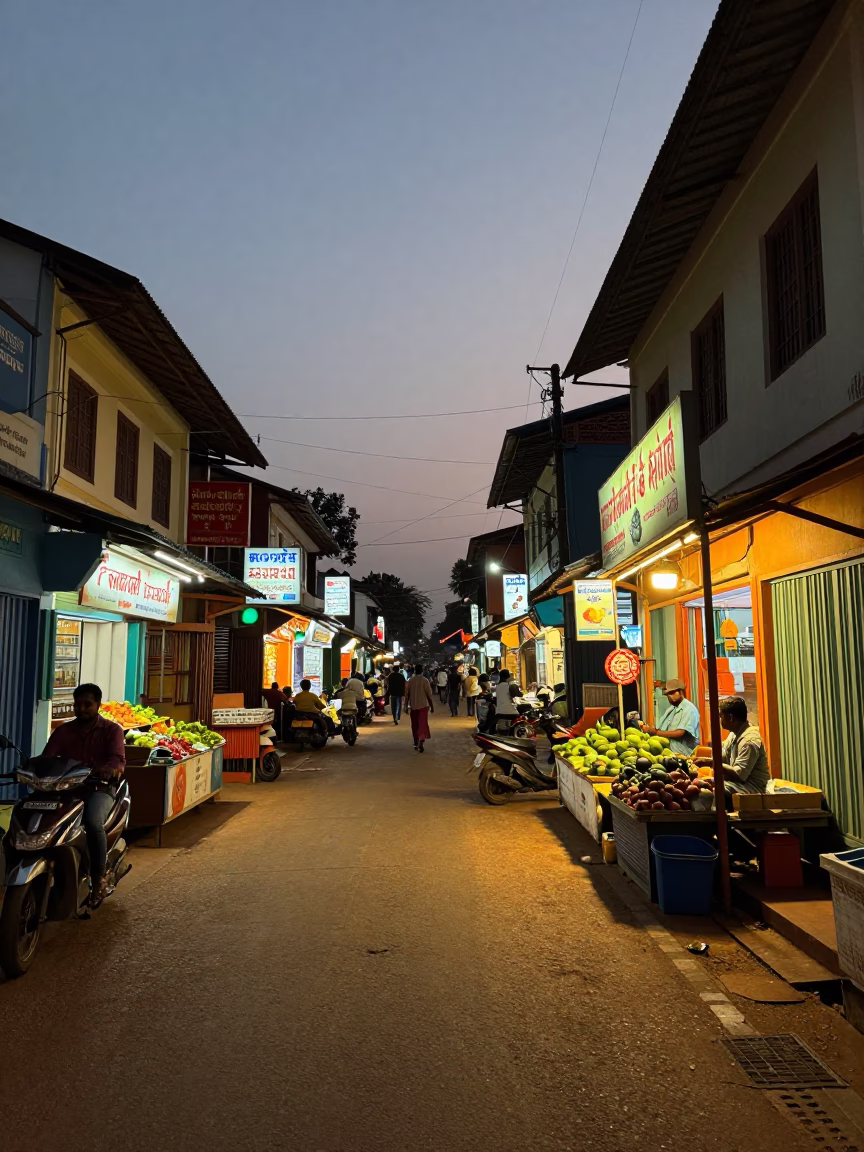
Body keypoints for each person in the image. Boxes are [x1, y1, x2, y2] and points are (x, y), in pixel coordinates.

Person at [43, 683, 124, 903]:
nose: (81, 709)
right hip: (68, 791)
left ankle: (98, 878)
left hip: (99, 789)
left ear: (98, 704)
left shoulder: (112, 730)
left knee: (92, 822)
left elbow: (117, 759)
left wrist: (110, 769)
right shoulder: (63, 731)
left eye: (87, 704)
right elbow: (47, 758)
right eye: (77, 704)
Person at [695, 696, 771, 795]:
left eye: (721, 715)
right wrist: (706, 760)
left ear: (730, 717)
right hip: (736, 784)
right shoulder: (734, 734)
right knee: (705, 784)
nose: (719, 719)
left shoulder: (749, 741)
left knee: (715, 792)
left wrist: (711, 763)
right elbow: (724, 756)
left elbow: (739, 774)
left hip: (752, 787)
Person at [642, 678, 700, 756]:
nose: (669, 696)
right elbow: (662, 730)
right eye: (667, 694)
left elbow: (680, 733)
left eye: (672, 693)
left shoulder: (689, 709)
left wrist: (655, 732)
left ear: (680, 692)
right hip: (667, 753)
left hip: (683, 755)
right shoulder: (671, 709)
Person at [404, 663, 434, 752]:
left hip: (413, 707)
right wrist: (432, 706)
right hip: (423, 706)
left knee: (415, 725)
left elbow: (407, 695)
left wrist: (405, 706)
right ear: (422, 671)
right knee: (422, 724)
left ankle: (416, 741)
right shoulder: (425, 681)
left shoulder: (410, 681)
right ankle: (421, 739)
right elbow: (429, 695)